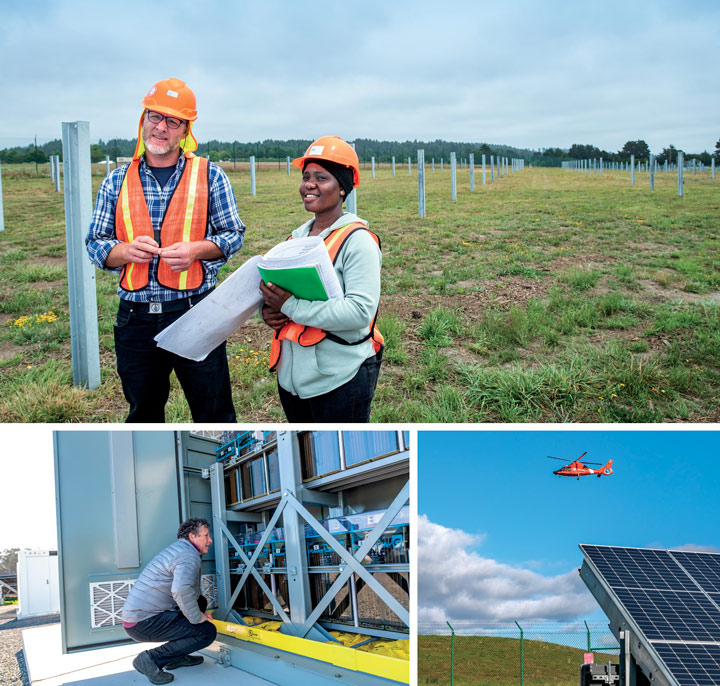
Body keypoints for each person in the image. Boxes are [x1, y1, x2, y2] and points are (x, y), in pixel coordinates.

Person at [86, 78, 245, 423]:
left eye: (173, 121)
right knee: (143, 414)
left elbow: (233, 234)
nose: (161, 127)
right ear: (143, 120)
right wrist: (125, 251)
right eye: (155, 117)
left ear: (186, 130)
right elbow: (96, 243)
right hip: (135, 319)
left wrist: (197, 250)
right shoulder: (116, 180)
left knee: (214, 414)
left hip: (195, 312)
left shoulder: (211, 176)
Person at [260, 136, 383, 422]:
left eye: (321, 177)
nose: (309, 184)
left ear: (342, 188)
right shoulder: (295, 239)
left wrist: (289, 306)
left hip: (340, 378)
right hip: (293, 381)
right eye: (305, 177)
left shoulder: (358, 241)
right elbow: (279, 293)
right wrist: (268, 310)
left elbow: (359, 312)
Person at [122, 518, 216, 684]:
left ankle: (176, 657)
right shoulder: (188, 555)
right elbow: (181, 590)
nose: (210, 540)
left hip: (142, 617)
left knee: (200, 601)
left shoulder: (181, 549)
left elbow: (191, 591)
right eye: (206, 535)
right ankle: (150, 659)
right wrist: (197, 617)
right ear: (192, 536)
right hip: (142, 623)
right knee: (207, 632)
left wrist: (201, 611)